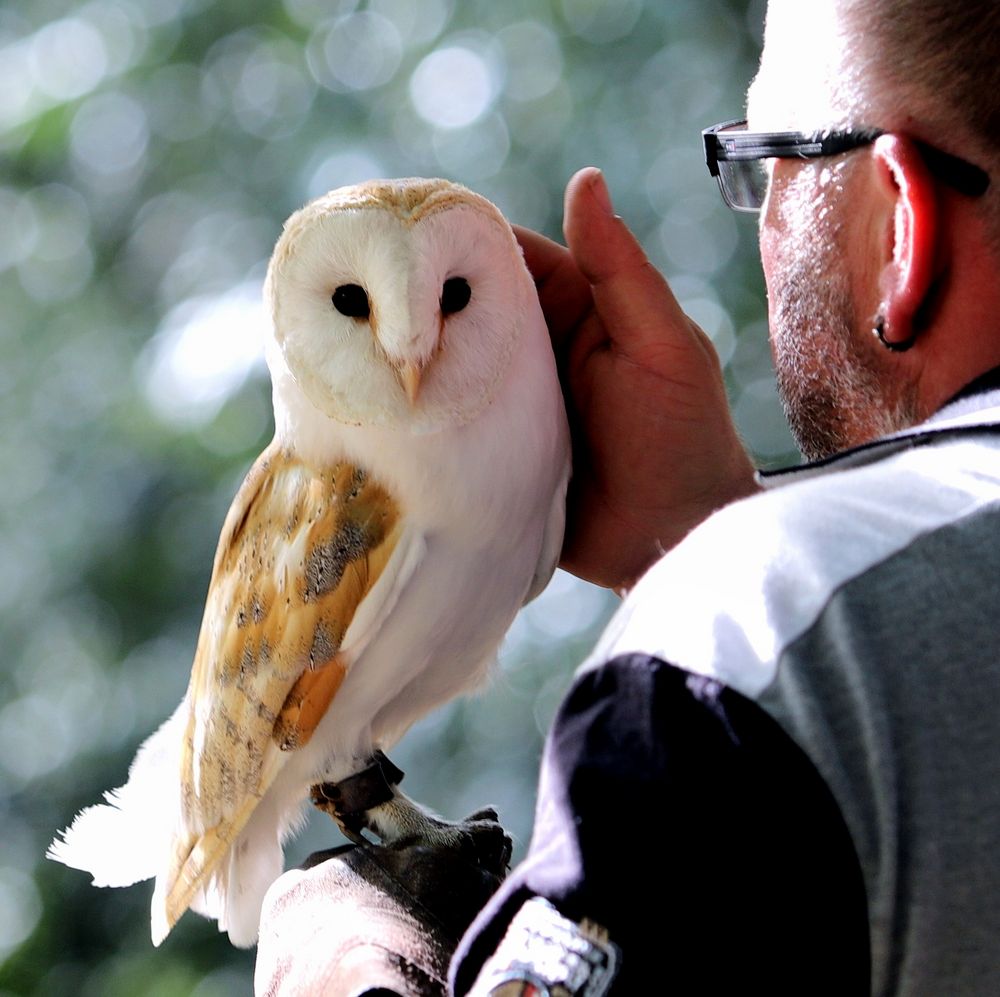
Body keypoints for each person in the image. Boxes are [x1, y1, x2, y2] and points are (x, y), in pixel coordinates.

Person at [254, 0, 1000, 993]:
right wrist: (693, 530)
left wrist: (352, 970)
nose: (764, 222)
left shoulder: (756, 634)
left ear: (900, 224)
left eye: (770, 163)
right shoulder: (797, 637)